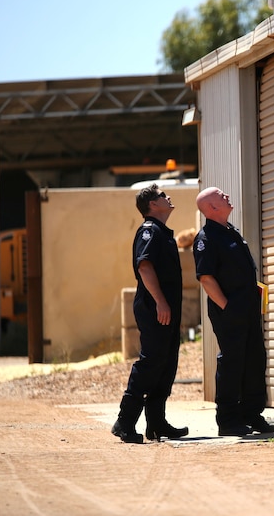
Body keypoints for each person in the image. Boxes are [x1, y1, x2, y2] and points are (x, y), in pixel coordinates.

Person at [193, 186, 274, 436]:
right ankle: (228, 420)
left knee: (254, 359)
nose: (226, 196)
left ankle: (252, 415)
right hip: (229, 310)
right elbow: (206, 277)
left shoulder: (231, 231)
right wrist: (227, 307)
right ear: (211, 207)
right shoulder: (207, 237)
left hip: (248, 308)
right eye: (220, 195)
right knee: (232, 363)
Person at [112, 184, 189, 443]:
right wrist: (161, 302)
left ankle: (156, 423)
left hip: (165, 308)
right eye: (162, 196)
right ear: (153, 205)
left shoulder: (162, 232)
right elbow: (144, 267)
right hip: (154, 307)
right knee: (151, 362)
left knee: (166, 364)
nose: (168, 197)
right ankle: (124, 422)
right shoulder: (149, 231)